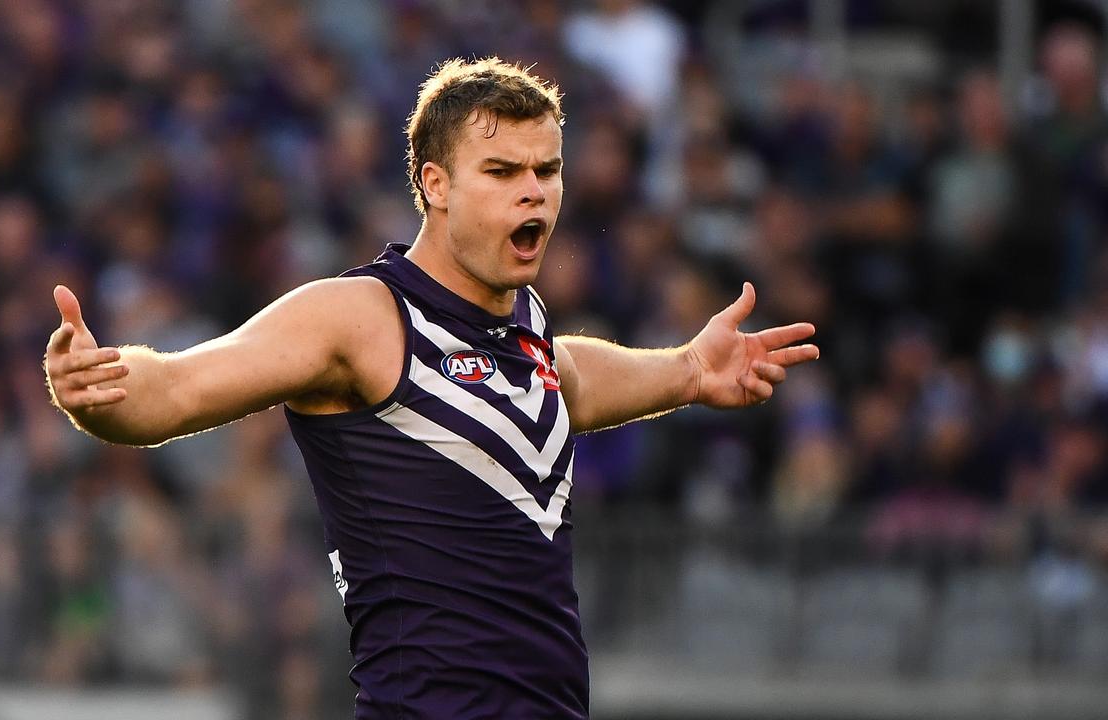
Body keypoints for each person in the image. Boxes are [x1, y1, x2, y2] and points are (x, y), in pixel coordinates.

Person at [44, 57, 819, 719]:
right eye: (504, 172)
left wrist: (687, 369)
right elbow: (179, 387)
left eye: (547, 171)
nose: (535, 194)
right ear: (436, 184)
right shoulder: (361, 316)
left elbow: (569, 379)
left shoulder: (527, 329)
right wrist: (101, 388)